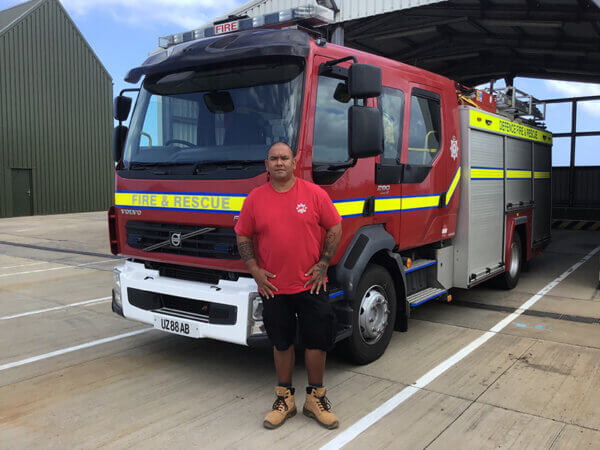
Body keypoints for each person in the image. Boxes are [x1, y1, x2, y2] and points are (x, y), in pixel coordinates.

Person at [235, 141, 343, 430]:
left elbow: (335, 226)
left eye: (284, 158)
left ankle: (315, 399)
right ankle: (285, 399)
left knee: (316, 342)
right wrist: (255, 270)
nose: (279, 163)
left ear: (294, 162)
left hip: (311, 285)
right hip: (274, 287)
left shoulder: (314, 194)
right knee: (281, 343)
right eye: (274, 159)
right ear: (266, 164)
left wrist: (323, 264)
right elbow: (243, 236)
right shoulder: (255, 199)